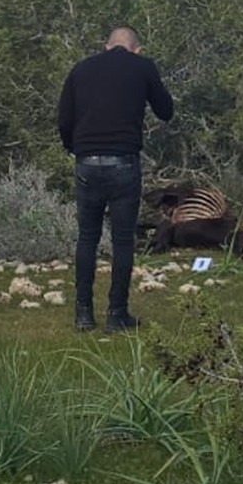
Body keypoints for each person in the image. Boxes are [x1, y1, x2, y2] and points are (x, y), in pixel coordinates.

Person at [58, 26, 174, 333]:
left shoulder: (81, 69)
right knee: (122, 240)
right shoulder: (142, 67)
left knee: (87, 237)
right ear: (137, 49)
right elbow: (166, 111)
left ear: (107, 46)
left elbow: (64, 119)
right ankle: (117, 313)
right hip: (123, 162)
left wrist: (76, 149)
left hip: (87, 162)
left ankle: (83, 313)